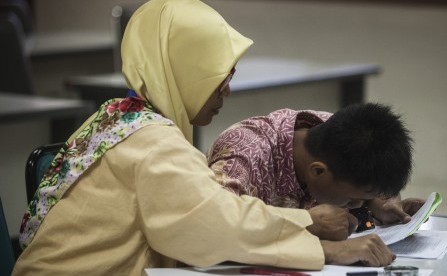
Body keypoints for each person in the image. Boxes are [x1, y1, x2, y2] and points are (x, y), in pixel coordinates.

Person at [13, 1, 394, 275]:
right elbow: (214, 225)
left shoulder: (119, 116)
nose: (225, 92)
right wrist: (326, 248)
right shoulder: (153, 142)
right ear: (179, 71)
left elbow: (210, 209)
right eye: (216, 79)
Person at [207, 105, 426, 227]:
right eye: (352, 200)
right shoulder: (244, 154)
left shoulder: (336, 136)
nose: (355, 205)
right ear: (318, 171)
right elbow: (214, 224)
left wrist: (379, 202)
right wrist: (310, 227)